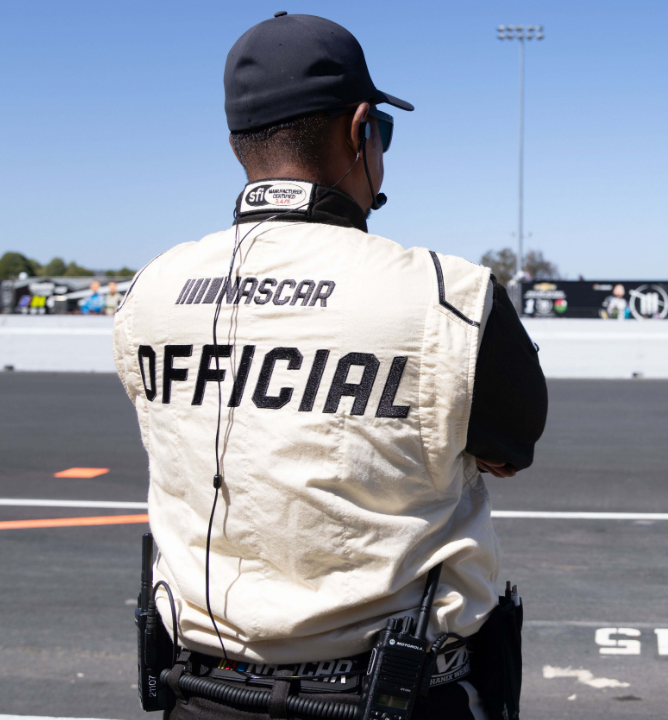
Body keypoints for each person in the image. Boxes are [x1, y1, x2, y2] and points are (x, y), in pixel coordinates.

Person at [112, 13, 546, 720]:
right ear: (360, 129)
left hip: (199, 692)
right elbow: (509, 449)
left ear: (235, 144)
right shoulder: (450, 295)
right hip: (392, 695)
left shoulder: (149, 289)